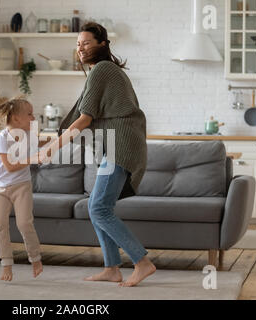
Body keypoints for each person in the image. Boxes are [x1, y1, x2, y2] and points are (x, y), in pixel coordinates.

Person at [36, 22, 156, 287]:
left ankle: (142, 262)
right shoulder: (104, 70)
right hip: (117, 143)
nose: (80, 48)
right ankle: (112, 268)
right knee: (98, 206)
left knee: (99, 207)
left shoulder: (102, 69)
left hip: (121, 145)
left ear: (102, 44)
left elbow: (84, 118)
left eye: (86, 43)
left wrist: (52, 147)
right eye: (78, 44)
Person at [0, 96, 46, 281]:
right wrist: (33, 158)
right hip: (2, 190)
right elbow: (10, 166)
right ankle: (6, 263)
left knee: (24, 223)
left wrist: (60, 139)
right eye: (29, 114)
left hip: (22, 187)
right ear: (16, 119)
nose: (33, 118)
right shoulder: (2, 138)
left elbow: (43, 143)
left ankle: (35, 258)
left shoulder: (29, 136)